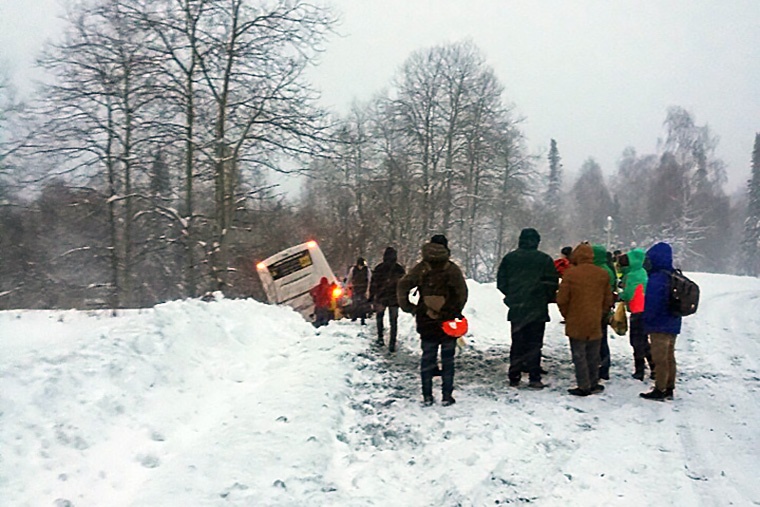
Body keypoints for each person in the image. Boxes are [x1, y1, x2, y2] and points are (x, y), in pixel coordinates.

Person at [398, 234, 468, 406]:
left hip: (425, 319)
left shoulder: (421, 267)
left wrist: (410, 307)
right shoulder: (452, 269)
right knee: (448, 359)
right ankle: (446, 395)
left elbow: (402, 285)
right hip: (448, 321)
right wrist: (454, 311)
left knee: (428, 357)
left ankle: (427, 395)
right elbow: (462, 293)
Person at [496, 228, 559, 389]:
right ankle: (534, 376)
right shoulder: (544, 260)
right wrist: (543, 296)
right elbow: (552, 283)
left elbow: (501, 282)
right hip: (537, 309)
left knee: (517, 343)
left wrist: (513, 295)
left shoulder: (510, 258)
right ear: (537, 242)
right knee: (535, 344)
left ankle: (514, 375)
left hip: (517, 308)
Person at [556, 243, 615, 396]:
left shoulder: (570, 274)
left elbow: (562, 299)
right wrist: (600, 313)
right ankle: (594, 382)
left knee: (579, 354)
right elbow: (608, 299)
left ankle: (583, 385)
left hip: (576, 318)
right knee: (593, 353)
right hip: (595, 319)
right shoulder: (602, 274)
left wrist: (567, 315)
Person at [640, 242, 681, 401]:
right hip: (672, 322)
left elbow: (652, 304)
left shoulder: (657, 279)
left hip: (659, 324)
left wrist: (646, 321)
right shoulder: (673, 275)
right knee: (670, 356)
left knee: (660, 358)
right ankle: (669, 386)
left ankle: (660, 388)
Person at [618, 248, 654, 381]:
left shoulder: (633, 275)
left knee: (636, 341)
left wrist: (620, 295)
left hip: (637, 311)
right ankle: (653, 368)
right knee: (644, 341)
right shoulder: (642, 272)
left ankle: (640, 370)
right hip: (645, 310)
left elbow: (628, 294)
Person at [369, 246, 406, 352]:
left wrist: (372, 297)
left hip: (381, 297)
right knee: (393, 321)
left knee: (379, 318)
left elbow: (373, 284)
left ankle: (380, 338)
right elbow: (403, 285)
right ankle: (392, 343)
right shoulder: (399, 269)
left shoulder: (379, 268)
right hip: (394, 298)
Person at [592, 244, 617, 380]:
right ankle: (604, 367)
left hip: (597, 308)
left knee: (598, 340)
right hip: (604, 308)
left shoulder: (599, 270)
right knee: (603, 339)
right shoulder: (608, 268)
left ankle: (600, 367)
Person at [347, 257, 371, 325]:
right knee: (356, 304)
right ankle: (354, 317)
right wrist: (347, 286)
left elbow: (369, 280)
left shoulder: (366, 270)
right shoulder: (354, 269)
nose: (360, 267)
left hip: (362, 289)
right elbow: (349, 278)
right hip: (356, 288)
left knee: (362, 305)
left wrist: (368, 290)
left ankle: (362, 318)